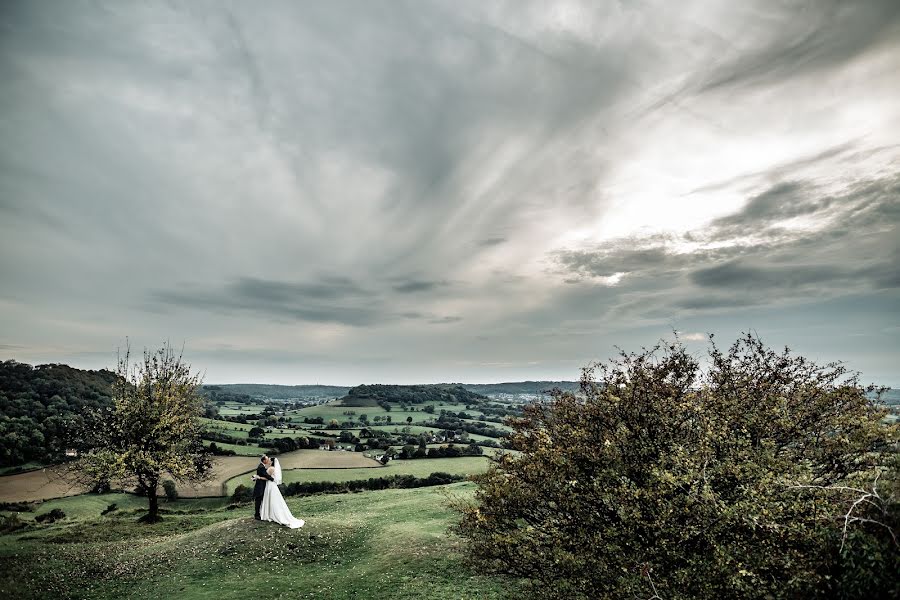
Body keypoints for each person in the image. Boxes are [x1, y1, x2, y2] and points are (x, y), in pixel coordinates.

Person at [255, 456, 305, 528]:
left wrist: (258, 477)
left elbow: (267, 477)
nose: (268, 461)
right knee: (272, 500)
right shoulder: (272, 468)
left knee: (271, 499)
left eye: (269, 460)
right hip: (271, 485)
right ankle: (269, 513)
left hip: (270, 486)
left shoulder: (271, 468)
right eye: (267, 459)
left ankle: (270, 514)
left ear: (272, 462)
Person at [252, 455, 274, 520]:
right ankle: (257, 515)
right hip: (260, 486)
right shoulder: (261, 467)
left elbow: (263, 475)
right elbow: (265, 475)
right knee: (258, 500)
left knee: (260, 500)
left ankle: (260, 513)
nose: (268, 460)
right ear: (264, 460)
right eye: (267, 459)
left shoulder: (262, 466)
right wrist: (272, 479)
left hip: (261, 485)